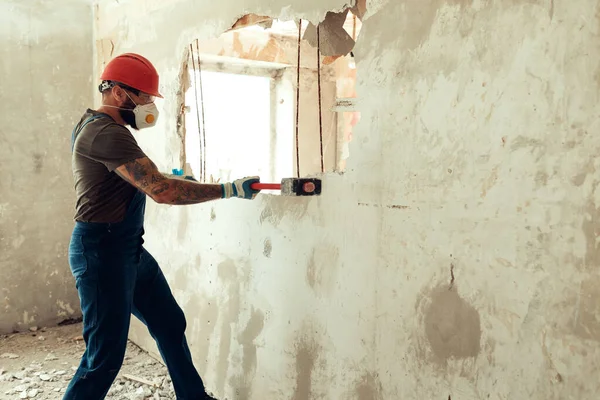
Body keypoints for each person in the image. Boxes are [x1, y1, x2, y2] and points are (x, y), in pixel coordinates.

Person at [64, 53, 260, 399]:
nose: (150, 105)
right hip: (102, 253)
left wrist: (176, 178)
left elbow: (142, 177)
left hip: (127, 250)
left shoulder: (99, 125)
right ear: (119, 94)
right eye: (145, 97)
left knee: (169, 322)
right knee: (103, 359)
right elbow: (162, 191)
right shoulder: (105, 133)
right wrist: (228, 189)